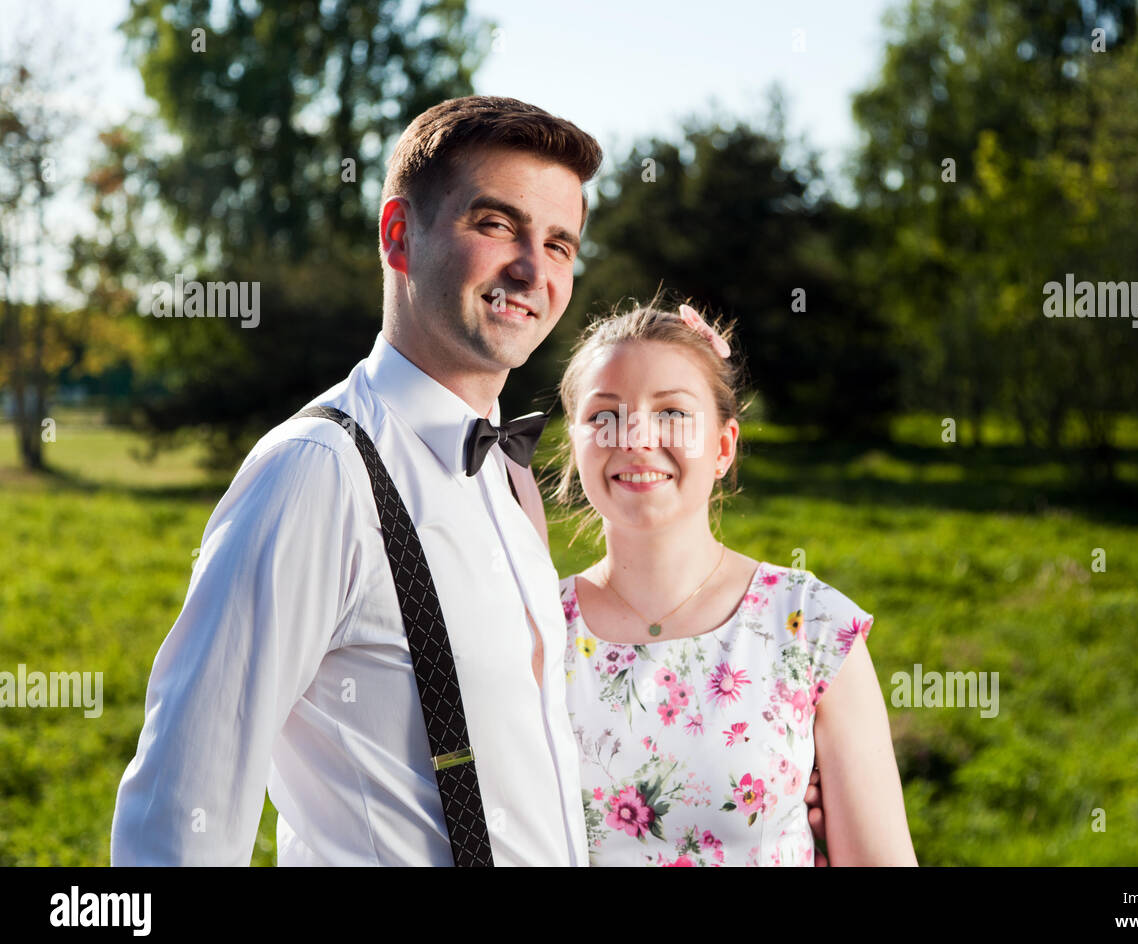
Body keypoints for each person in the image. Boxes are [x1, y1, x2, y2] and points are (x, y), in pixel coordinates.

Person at [110, 95, 830, 866]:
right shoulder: (318, 475)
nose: (532, 267)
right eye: (495, 224)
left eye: (559, 244)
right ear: (398, 236)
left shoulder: (511, 483)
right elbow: (177, 822)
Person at [552, 294, 918, 865]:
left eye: (671, 412)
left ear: (723, 447)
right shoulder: (535, 631)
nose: (635, 437)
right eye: (604, 415)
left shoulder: (812, 628)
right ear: (575, 445)